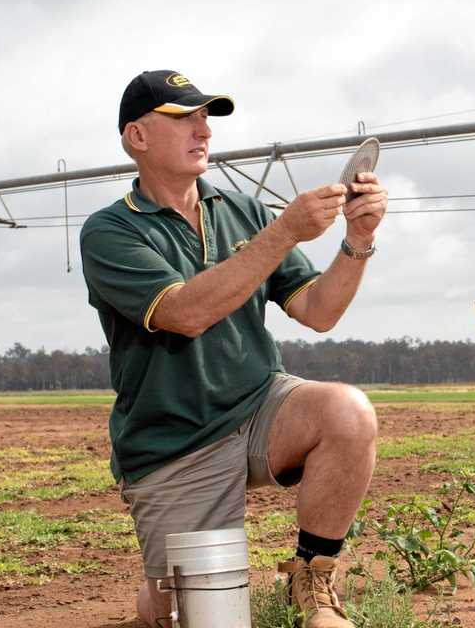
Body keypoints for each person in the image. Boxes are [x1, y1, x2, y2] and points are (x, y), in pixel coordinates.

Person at [80, 70, 387, 628]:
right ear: (137, 137)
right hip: (174, 440)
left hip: (258, 406)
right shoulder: (110, 232)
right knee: (184, 615)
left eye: (206, 118)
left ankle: (313, 583)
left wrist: (356, 241)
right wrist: (285, 231)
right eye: (184, 118)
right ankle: (156, 595)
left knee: (347, 412)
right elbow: (185, 313)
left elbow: (319, 311)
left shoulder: (242, 209)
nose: (203, 130)